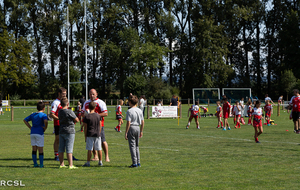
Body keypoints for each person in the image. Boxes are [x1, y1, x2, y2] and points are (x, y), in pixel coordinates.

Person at [82, 89, 110, 162]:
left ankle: (106, 156)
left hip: (99, 125)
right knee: (92, 141)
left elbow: (105, 113)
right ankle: (95, 156)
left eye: (93, 94)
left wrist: (95, 115)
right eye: (90, 94)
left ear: (96, 94)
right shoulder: (86, 102)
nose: (92, 96)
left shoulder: (101, 102)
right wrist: (85, 115)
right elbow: (82, 113)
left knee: (103, 141)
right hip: (90, 125)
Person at [23, 102, 48, 168]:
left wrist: (30, 127)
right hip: (39, 133)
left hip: (32, 133)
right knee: (40, 149)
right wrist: (45, 127)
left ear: (37, 108)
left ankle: (35, 164)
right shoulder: (43, 115)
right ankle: (41, 164)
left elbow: (25, 120)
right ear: (43, 108)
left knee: (34, 149)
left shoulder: (33, 114)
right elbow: (46, 121)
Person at [57, 97, 79, 169]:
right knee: (69, 149)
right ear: (68, 104)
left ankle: (62, 164)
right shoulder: (69, 111)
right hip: (70, 131)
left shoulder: (60, 112)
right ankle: (70, 165)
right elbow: (77, 119)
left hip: (61, 130)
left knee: (61, 148)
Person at [125, 94, 144, 167]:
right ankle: (138, 162)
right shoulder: (139, 110)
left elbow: (128, 122)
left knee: (132, 146)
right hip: (138, 127)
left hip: (132, 127)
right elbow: (142, 122)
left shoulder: (129, 111)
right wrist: (141, 131)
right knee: (137, 146)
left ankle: (134, 163)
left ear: (129, 102)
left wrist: (126, 132)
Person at [82, 101, 103, 167]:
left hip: (90, 134)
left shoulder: (87, 117)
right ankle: (100, 162)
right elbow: (100, 125)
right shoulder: (98, 116)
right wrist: (99, 132)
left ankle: (88, 162)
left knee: (89, 149)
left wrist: (85, 136)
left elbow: (85, 127)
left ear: (88, 107)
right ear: (95, 107)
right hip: (97, 134)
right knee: (99, 148)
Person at [50, 87, 66, 161]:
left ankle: (69, 155)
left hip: (65, 124)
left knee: (67, 139)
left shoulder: (65, 101)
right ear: (59, 93)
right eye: (63, 94)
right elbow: (52, 114)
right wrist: (59, 119)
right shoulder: (56, 102)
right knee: (58, 140)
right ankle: (56, 155)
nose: (64, 95)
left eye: (65, 94)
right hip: (58, 124)